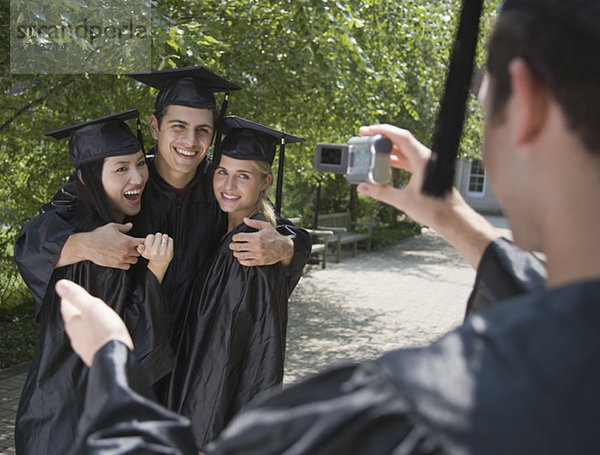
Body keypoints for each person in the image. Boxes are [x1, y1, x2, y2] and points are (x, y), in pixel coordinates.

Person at [59, 0, 600, 452]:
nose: (198, 151)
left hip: (174, 369)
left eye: (486, 111)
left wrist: (111, 360)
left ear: (527, 106)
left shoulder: (413, 411)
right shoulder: (126, 182)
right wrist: (452, 218)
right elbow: (547, 294)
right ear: (155, 128)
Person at [13, 66, 312, 350]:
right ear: (155, 127)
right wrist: (85, 244)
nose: (190, 141)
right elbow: (33, 239)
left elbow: (285, 232)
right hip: (133, 349)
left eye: (203, 130)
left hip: (196, 354)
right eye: (178, 126)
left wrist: (285, 248)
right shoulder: (126, 185)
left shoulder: (222, 186)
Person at [15, 111, 175, 455]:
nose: (138, 177)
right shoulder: (106, 248)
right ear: (87, 178)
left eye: (139, 163)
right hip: (79, 424)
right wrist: (156, 272)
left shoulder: (76, 221)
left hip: (48, 412)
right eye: (121, 168)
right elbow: (129, 346)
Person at [164, 116, 307, 449]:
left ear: (265, 181)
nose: (228, 186)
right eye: (222, 172)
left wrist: (199, 432)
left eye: (243, 175)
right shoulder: (237, 231)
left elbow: (223, 354)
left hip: (212, 413)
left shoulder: (249, 248)